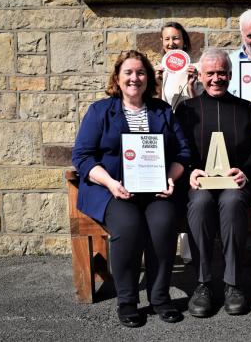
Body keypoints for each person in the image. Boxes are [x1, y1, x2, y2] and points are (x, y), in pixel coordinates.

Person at [72, 50, 191, 327]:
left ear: (148, 78)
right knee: (128, 227)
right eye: (128, 72)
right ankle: (127, 300)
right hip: (113, 190)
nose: (134, 78)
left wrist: (171, 178)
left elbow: (183, 152)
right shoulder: (101, 111)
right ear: (117, 77)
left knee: (163, 223)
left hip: (156, 189)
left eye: (140, 72)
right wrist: (111, 183)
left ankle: (160, 297)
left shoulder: (162, 111)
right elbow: (82, 157)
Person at [175, 48, 251, 317]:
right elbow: (178, 148)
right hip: (198, 183)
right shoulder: (187, 110)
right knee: (201, 203)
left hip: (236, 183)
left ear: (230, 74)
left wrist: (246, 172)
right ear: (200, 76)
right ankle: (202, 284)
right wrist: (190, 170)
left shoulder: (246, 109)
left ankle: (233, 283)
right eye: (210, 73)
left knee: (233, 200)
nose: (217, 78)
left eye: (222, 73)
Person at [155, 22, 200, 109]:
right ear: (162, 41)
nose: (171, 43)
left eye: (175, 38)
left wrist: (191, 87)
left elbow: (201, 107)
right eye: (167, 39)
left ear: (184, 41)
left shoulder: (197, 70)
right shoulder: (156, 71)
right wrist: (157, 86)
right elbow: (154, 109)